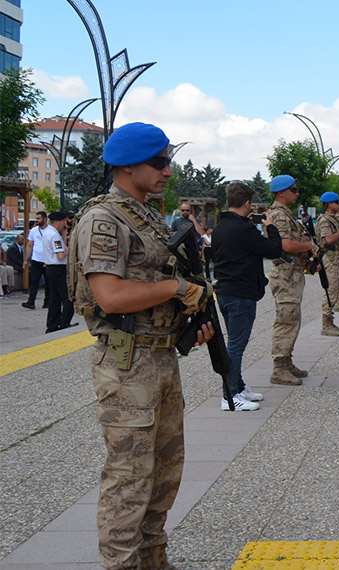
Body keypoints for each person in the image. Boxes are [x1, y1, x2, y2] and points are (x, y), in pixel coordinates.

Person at [71, 122, 214, 570]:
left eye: (168, 161)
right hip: (127, 364)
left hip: (159, 355)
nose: (168, 171)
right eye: (159, 162)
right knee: (130, 478)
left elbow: (152, 282)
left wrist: (189, 319)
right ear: (127, 165)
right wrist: (176, 288)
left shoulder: (146, 214)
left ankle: (154, 559)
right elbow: (110, 296)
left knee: (164, 472)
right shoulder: (103, 219)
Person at [212, 181, 284, 409]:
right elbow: (273, 249)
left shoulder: (220, 227)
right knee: (236, 345)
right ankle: (230, 396)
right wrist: (270, 227)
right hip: (240, 295)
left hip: (225, 292)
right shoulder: (243, 230)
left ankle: (239, 386)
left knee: (234, 342)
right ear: (246, 203)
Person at [267, 175, 333, 381]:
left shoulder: (287, 214)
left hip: (293, 274)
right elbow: (285, 245)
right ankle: (279, 368)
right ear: (281, 192)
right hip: (286, 275)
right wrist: (309, 247)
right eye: (293, 190)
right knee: (286, 319)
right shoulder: (279, 215)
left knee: (292, 319)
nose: (297, 193)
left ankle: (286, 361)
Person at [317, 192, 339, 315]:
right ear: (329, 204)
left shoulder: (336, 219)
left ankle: (330, 319)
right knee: (331, 290)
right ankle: (326, 321)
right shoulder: (325, 220)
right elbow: (329, 239)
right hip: (331, 257)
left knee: (336, 288)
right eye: (337, 202)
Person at [42, 211, 76, 333]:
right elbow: (61, 255)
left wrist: (64, 235)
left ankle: (52, 325)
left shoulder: (49, 233)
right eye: (63, 221)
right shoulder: (54, 235)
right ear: (58, 221)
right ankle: (65, 322)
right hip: (58, 269)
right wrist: (71, 247)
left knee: (54, 299)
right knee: (68, 297)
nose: (65, 224)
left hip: (52, 268)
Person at [22, 211, 49, 309]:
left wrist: (49, 260)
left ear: (45, 219)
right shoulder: (33, 231)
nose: (36, 220)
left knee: (48, 282)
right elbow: (30, 245)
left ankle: (47, 302)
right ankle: (31, 301)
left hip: (47, 260)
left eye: (39, 218)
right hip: (36, 259)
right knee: (34, 281)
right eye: (36, 218)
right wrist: (26, 260)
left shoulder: (51, 230)